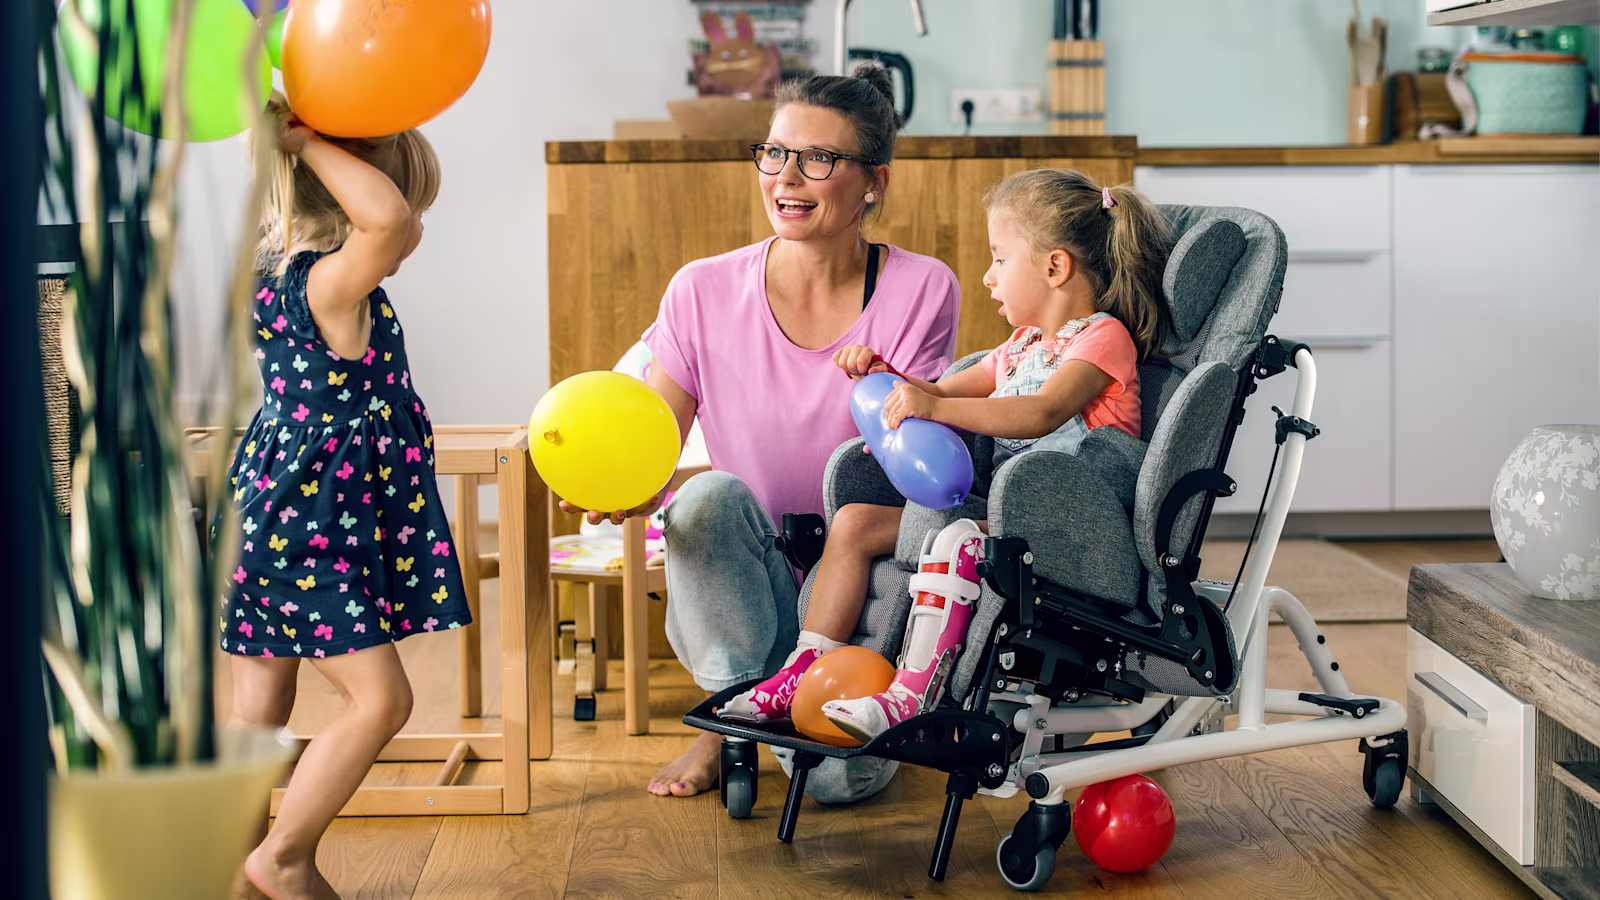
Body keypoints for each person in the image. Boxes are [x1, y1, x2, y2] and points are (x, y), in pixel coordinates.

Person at [558, 62, 960, 801]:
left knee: (839, 783)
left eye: (818, 159)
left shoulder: (921, 287)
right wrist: (629, 490)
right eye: (775, 153)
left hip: (858, 583)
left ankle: (796, 708)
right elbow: (656, 443)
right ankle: (729, 722)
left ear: (874, 182)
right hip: (750, 580)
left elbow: (919, 463)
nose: (787, 177)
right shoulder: (701, 289)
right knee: (703, 498)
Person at [718, 167, 1174, 743]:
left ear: (1056, 268)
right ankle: (802, 672)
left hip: (1073, 527)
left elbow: (1040, 413)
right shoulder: (1021, 346)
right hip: (1012, 517)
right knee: (856, 522)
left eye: (1000, 259)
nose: (987, 277)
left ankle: (913, 695)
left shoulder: (1102, 338)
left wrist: (931, 409)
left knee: (956, 540)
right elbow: (938, 392)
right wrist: (890, 379)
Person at [221, 96, 470, 900]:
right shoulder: (330, 287)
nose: (414, 229)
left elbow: (387, 218)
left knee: (259, 704)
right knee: (382, 698)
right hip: (304, 537)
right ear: (352, 203)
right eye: (412, 208)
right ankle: (283, 856)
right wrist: (309, 141)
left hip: (272, 521)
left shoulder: (282, 280)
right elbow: (387, 220)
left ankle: (228, 865)